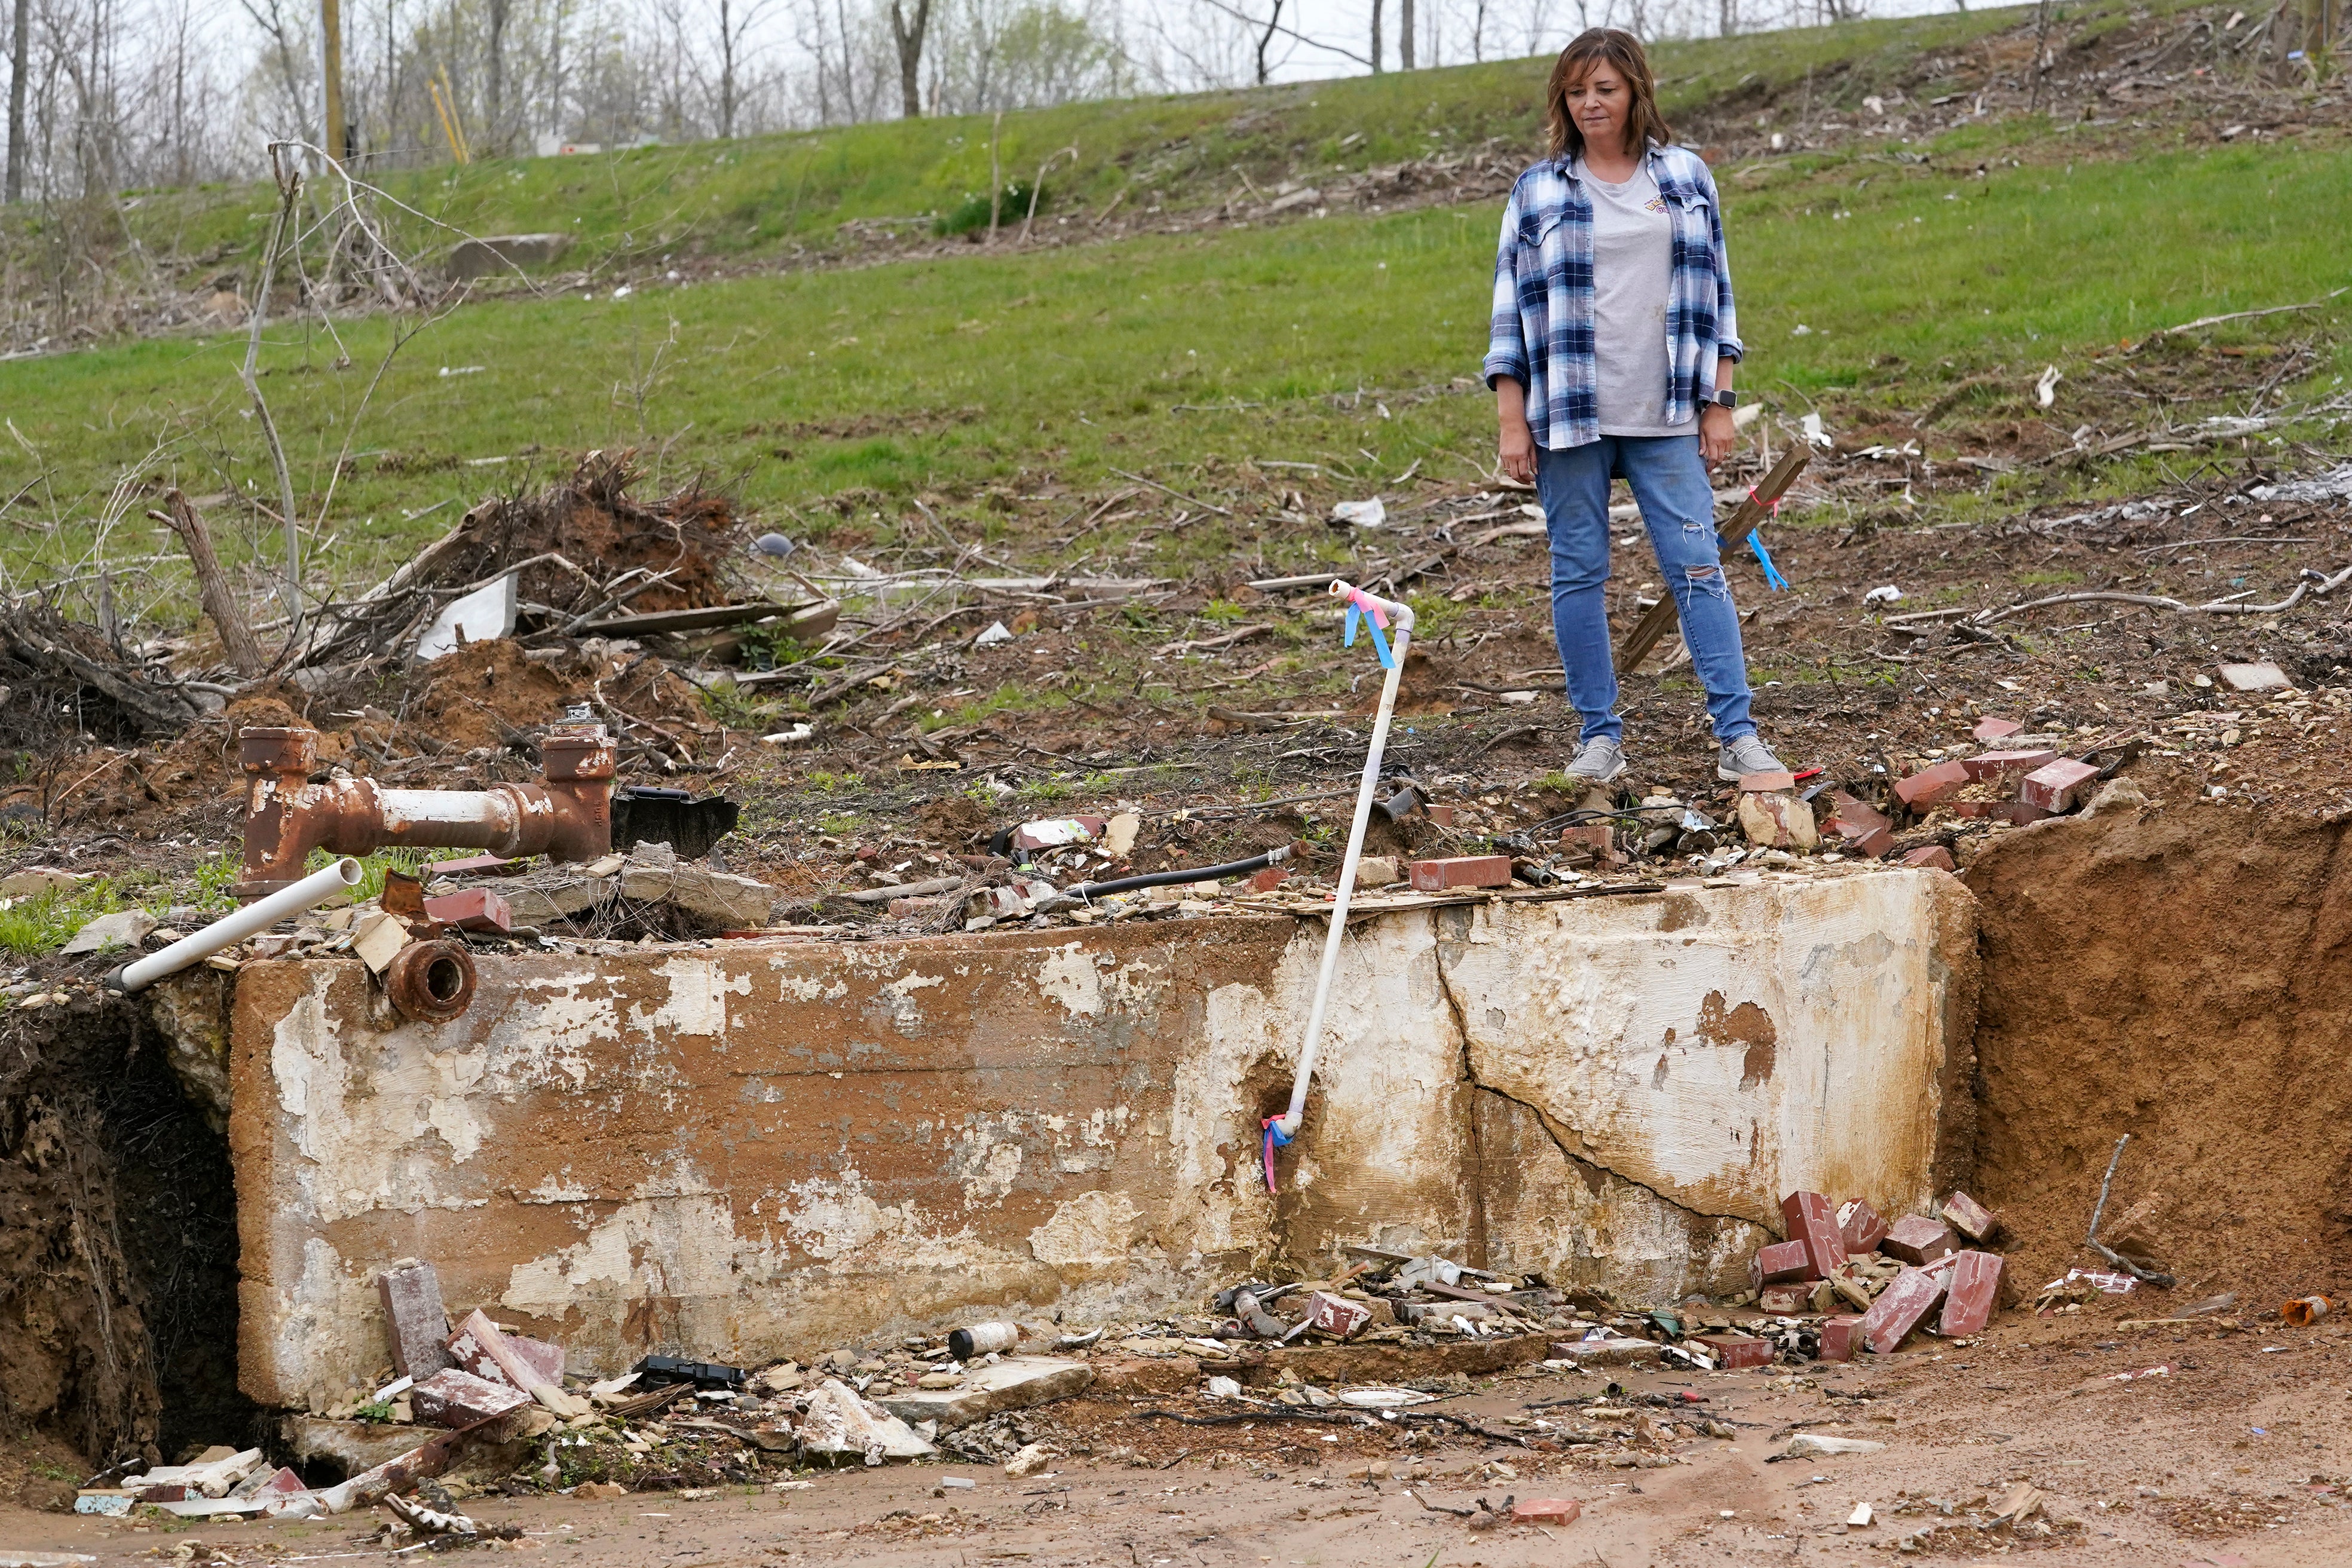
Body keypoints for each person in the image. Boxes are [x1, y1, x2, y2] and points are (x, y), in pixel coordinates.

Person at [1483, 27, 1784, 786]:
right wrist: (1511, 420)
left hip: (1665, 414)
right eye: (1577, 90)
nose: (1591, 103)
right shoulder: (1538, 190)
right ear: (1564, 99)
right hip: (1569, 416)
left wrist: (1719, 401)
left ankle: (1738, 734)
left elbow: (1719, 294)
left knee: (1698, 566)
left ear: (1635, 94)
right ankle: (1598, 737)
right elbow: (1508, 314)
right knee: (1579, 572)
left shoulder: (1684, 177)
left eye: (1605, 89)